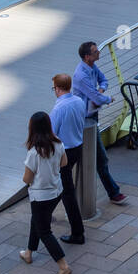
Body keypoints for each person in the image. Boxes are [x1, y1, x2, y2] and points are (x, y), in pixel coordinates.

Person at [18, 111, 74, 274]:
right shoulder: (58, 143)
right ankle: (29, 252)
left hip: (40, 195)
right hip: (56, 191)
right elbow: (64, 163)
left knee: (44, 231)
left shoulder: (34, 152)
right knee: (37, 220)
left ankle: (63, 266)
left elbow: (26, 178)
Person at [72, 41, 128, 205]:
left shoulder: (92, 68)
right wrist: (108, 98)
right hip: (85, 120)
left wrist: (101, 90)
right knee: (100, 158)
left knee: (91, 157)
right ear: (87, 57)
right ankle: (113, 192)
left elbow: (104, 80)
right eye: (95, 52)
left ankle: (111, 192)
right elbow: (97, 98)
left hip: (92, 116)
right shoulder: (81, 75)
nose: (99, 53)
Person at [49, 73, 88, 243]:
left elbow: (51, 133)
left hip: (64, 152)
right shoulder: (79, 102)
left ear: (57, 88)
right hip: (77, 148)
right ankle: (46, 214)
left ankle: (78, 232)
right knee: (64, 186)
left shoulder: (59, 108)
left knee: (66, 191)